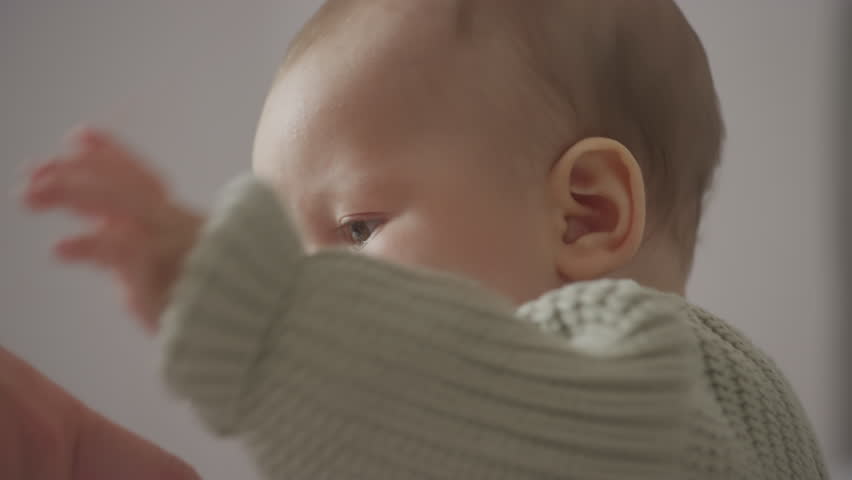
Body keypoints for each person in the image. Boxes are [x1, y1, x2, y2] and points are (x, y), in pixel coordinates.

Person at [15, 0, 827, 478]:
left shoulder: (672, 392)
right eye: (293, 257)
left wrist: (265, 309)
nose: (317, 276)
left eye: (357, 228)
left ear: (585, 215)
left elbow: (516, 418)